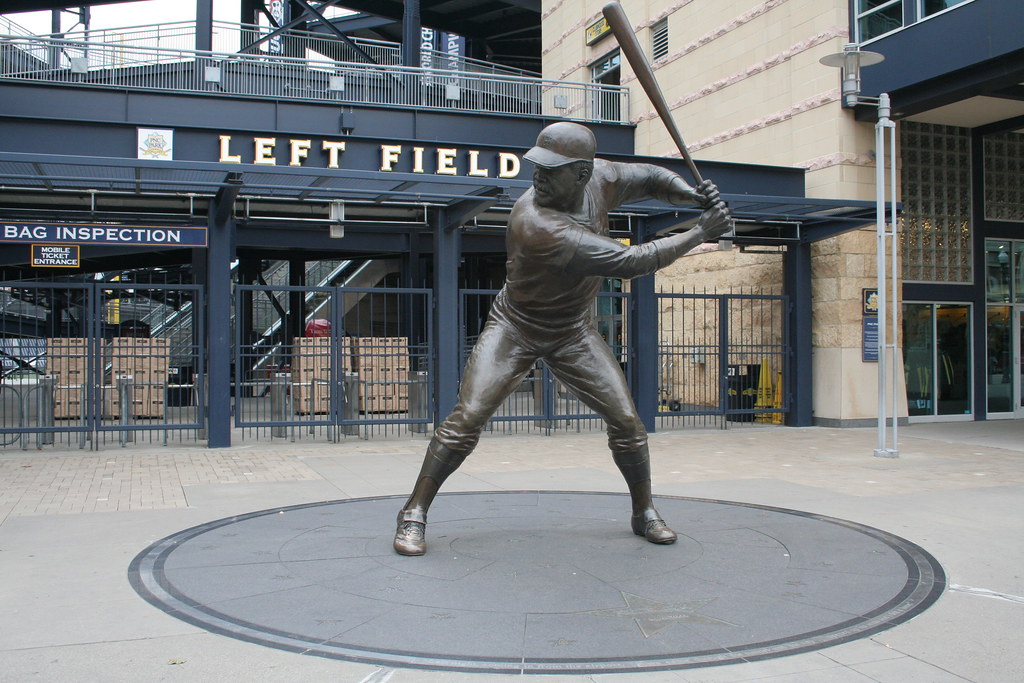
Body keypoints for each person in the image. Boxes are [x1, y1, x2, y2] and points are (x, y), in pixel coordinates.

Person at [394, 121, 732, 555]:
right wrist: (701, 231)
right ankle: (413, 512)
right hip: (516, 326)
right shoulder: (535, 222)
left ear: (581, 174)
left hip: (572, 329)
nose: (538, 175)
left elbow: (650, 177)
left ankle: (643, 510)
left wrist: (690, 194)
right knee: (469, 417)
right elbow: (630, 262)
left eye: (551, 169)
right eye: (538, 165)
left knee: (627, 421)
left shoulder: (602, 178)